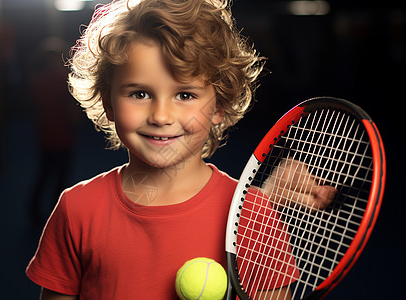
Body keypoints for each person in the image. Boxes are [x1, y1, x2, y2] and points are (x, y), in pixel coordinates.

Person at [26, 0, 334, 299]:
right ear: (108, 103)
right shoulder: (76, 209)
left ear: (219, 106)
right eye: (140, 93)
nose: (161, 116)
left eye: (185, 95)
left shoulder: (252, 216)